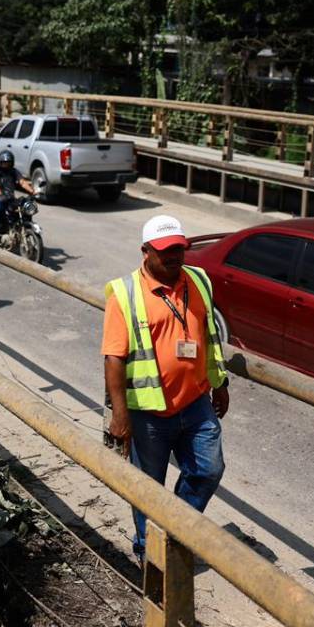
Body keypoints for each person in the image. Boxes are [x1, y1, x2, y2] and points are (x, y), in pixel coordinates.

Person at [102, 214, 230, 562]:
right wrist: (119, 416)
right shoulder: (125, 294)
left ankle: (173, 531)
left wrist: (220, 383)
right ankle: (151, 556)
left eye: (179, 249)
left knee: (208, 470)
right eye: (165, 251)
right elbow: (113, 358)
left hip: (196, 402)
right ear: (145, 252)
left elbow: (209, 338)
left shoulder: (199, 280)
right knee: (147, 488)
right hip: (149, 413)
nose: (174, 257)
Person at [0, 150, 35, 243]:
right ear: (0, 162)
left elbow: (22, 182)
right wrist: (0, 194)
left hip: (9, 198)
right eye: (4, 163)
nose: (6, 165)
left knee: (25, 207)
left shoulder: (14, 172)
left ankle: (20, 228)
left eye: (8, 163)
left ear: (12, 163)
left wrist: (32, 191)